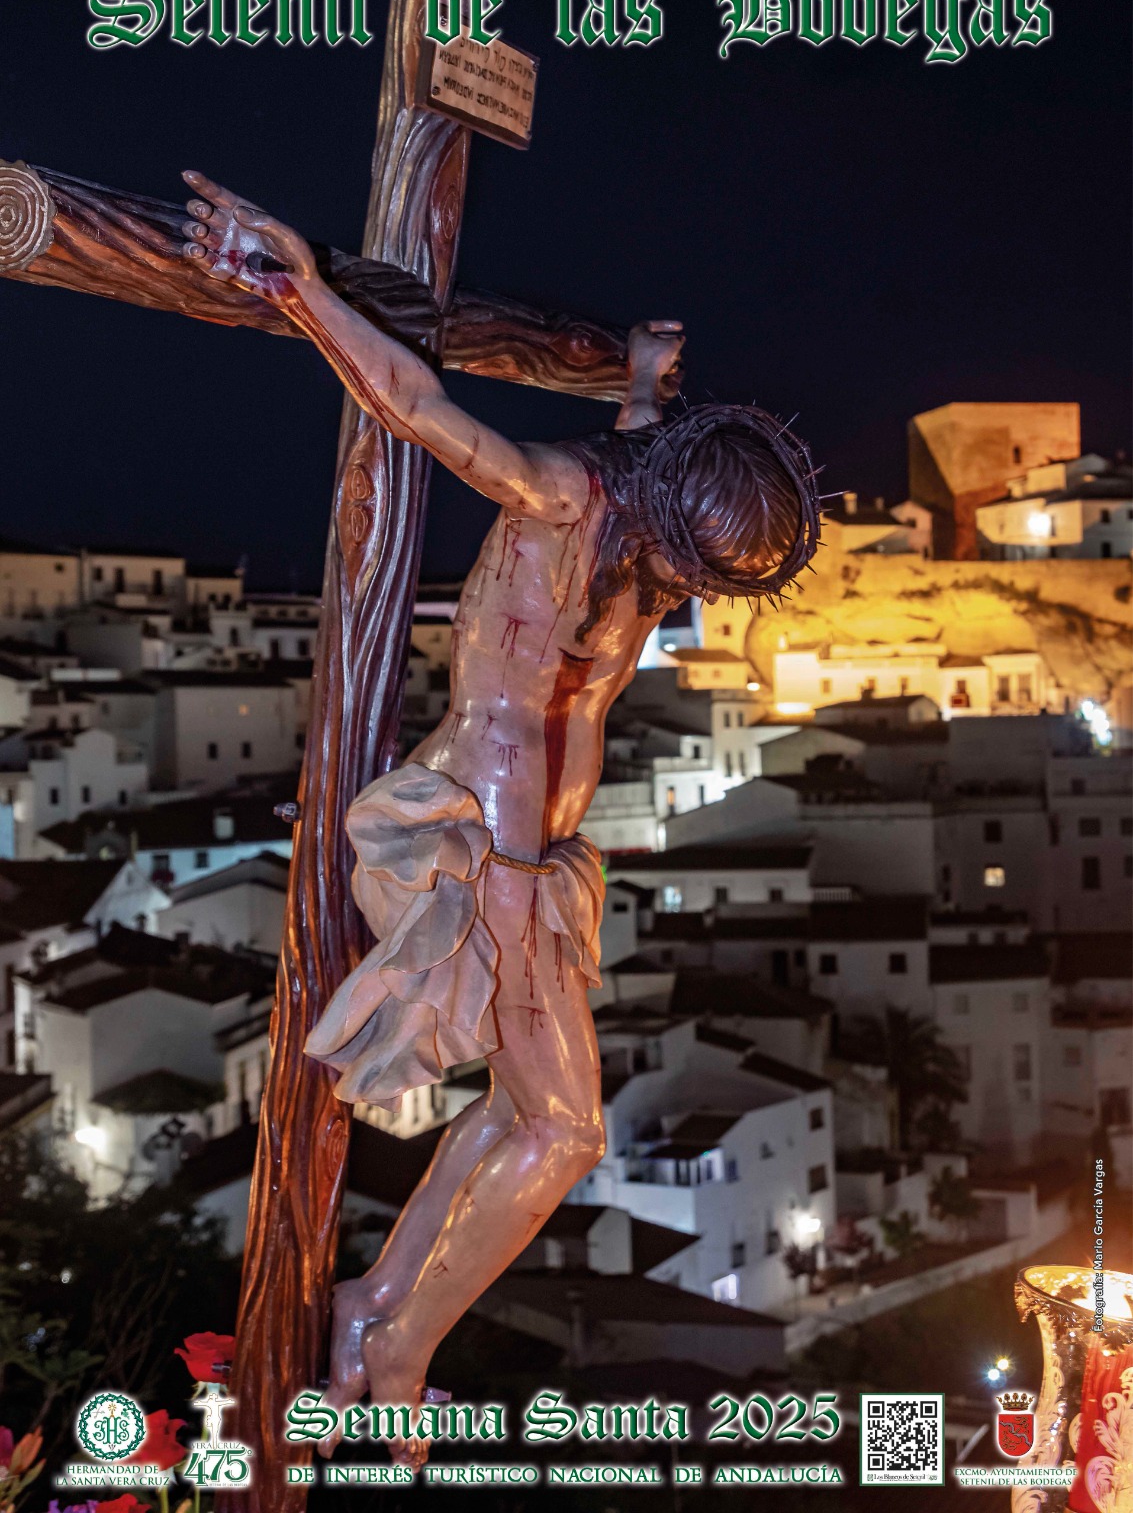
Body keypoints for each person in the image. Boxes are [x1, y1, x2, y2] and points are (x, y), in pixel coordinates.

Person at [181, 172, 819, 1462]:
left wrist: (643, 377)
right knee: (566, 1126)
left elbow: (650, 446)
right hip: (475, 844)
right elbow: (417, 405)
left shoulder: (650, 516)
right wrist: (300, 284)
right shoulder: (565, 498)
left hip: (538, 853)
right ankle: (396, 1334)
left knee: (530, 1118)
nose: (679, 589)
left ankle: (378, 1312)